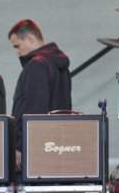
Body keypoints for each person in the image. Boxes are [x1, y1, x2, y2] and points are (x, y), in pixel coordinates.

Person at [8, 19, 72, 169]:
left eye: (17, 46)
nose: (17, 52)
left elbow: (34, 111)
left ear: (30, 39)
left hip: (33, 151)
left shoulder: (37, 65)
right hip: (56, 145)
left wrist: (20, 148)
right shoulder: (60, 66)